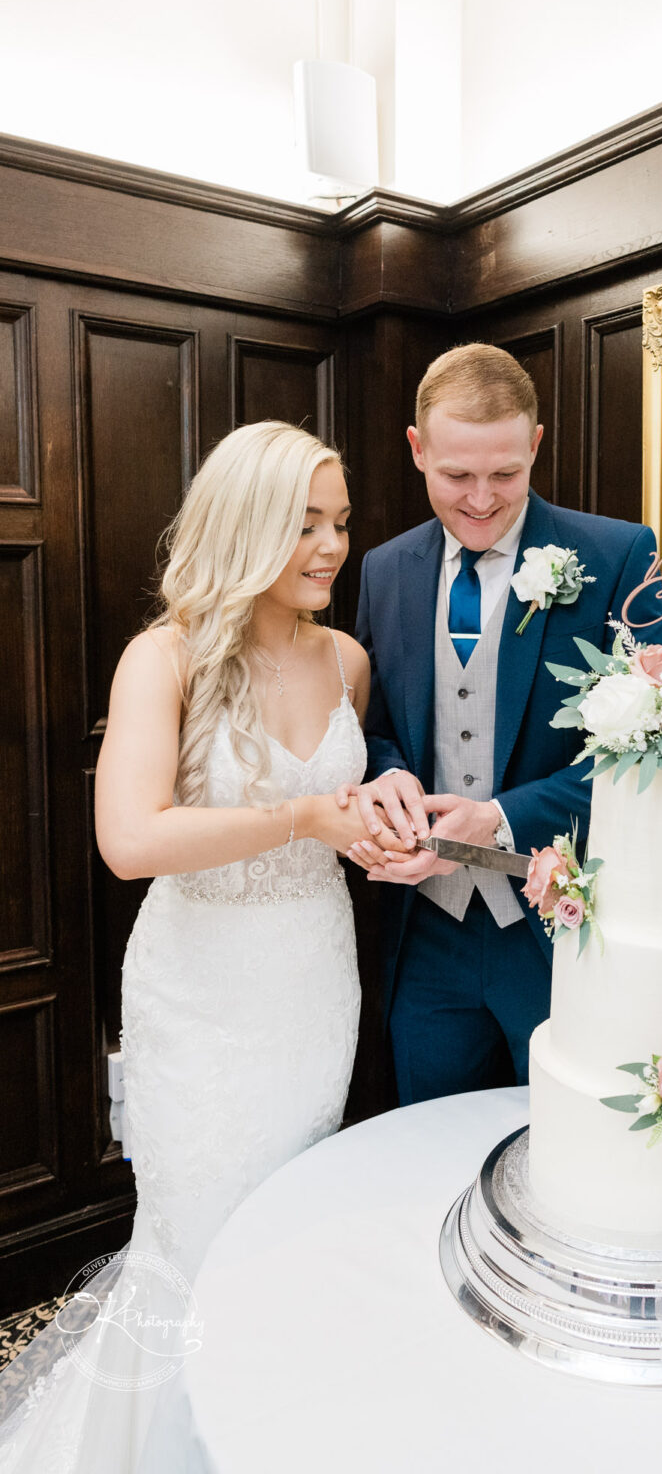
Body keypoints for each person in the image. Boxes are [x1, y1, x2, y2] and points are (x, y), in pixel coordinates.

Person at [0, 422, 393, 1471]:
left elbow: (354, 808)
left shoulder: (346, 660)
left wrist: (383, 827)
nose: (329, 546)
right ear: (246, 523)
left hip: (313, 980)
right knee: (200, 1228)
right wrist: (307, 821)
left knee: (282, 1225)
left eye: (341, 523)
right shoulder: (164, 657)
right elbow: (130, 842)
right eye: (304, 523)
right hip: (201, 994)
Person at [341, 343, 662, 1105]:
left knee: (567, 1146)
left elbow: (651, 756)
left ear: (536, 445)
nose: (482, 499)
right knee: (426, 1146)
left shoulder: (620, 555)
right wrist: (390, 777)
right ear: (417, 449)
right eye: (456, 475)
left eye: (506, 473)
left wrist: (498, 818)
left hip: (561, 932)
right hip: (425, 933)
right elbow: (377, 725)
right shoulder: (385, 569)